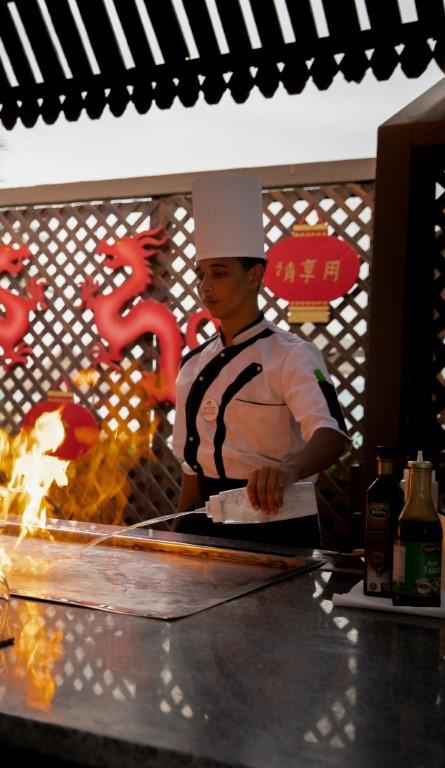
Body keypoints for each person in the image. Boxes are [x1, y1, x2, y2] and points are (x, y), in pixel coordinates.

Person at [173, 175, 349, 548]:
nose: (206, 286)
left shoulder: (292, 355)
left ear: (254, 276)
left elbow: (332, 434)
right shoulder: (192, 365)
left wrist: (287, 471)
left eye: (219, 273)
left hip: (276, 526)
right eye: (201, 274)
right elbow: (192, 470)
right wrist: (175, 535)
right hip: (202, 527)